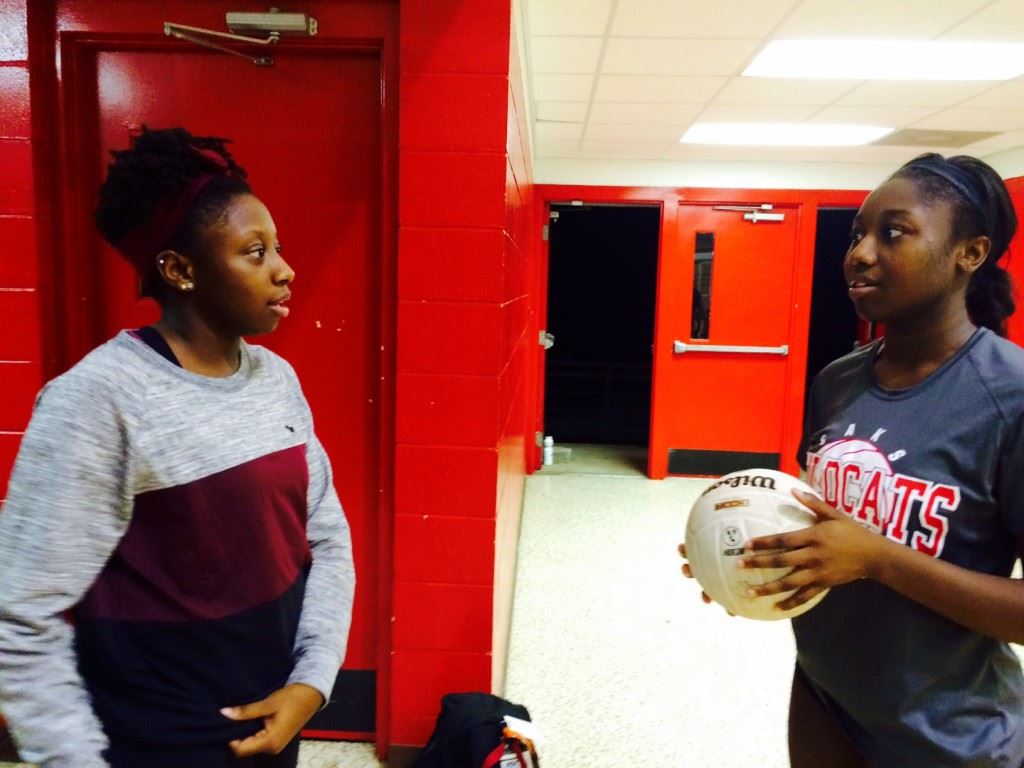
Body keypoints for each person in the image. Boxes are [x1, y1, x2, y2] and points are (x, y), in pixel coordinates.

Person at [0, 127, 356, 768]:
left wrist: (312, 682)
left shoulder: (276, 379)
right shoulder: (98, 399)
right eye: (255, 252)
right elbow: (20, 619)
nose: (284, 268)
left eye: (277, 247)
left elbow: (325, 535)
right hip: (151, 744)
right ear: (179, 269)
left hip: (275, 725)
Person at [681, 153, 1024, 767]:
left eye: (893, 232)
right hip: (824, 697)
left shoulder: (1011, 399)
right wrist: (744, 553)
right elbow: (816, 522)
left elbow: (866, 552)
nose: (860, 252)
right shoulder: (839, 381)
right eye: (857, 233)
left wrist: (877, 560)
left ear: (969, 254)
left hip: (950, 737)